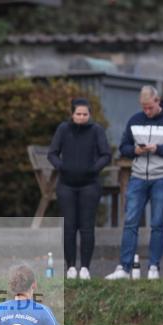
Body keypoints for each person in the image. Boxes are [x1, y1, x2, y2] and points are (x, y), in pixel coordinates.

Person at [106, 86, 163, 281]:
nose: (147, 112)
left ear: (158, 101)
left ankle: (153, 267)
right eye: (144, 108)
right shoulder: (134, 120)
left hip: (162, 176)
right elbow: (123, 148)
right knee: (130, 222)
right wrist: (135, 151)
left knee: (158, 223)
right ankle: (124, 268)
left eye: (150, 107)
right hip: (138, 177)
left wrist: (158, 149)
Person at [46, 98, 111, 280]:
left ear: (89, 115)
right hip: (66, 184)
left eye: (85, 114)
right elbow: (52, 153)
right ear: (72, 114)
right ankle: (71, 267)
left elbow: (106, 155)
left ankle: (85, 268)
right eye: (78, 114)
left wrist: (94, 168)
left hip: (89, 185)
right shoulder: (63, 129)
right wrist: (62, 166)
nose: (81, 117)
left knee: (87, 227)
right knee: (69, 226)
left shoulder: (96, 130)